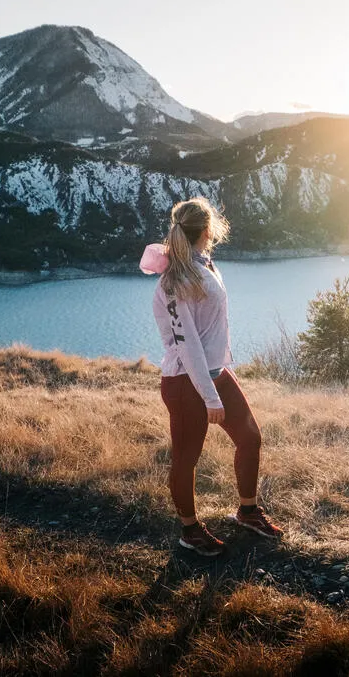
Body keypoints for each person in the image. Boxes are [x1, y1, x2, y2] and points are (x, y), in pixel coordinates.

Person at [140, 197, 282, 556]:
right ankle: (190, 530)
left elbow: (209, 331)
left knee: (250, 437)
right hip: (187, 381)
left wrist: (221, 375)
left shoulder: (202, 266)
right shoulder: (176, 281)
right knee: (187, 458)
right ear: (207, 231)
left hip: (215, 374)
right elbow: (187, 346)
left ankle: (247, 511)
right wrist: (211, 397)